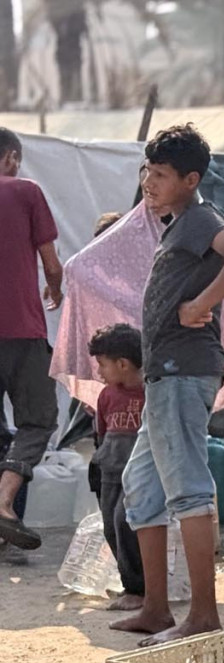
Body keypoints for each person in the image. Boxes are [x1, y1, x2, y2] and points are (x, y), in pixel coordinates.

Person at [113, 124, 224, 644]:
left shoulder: (201, 219)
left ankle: (203, 615)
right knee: (142, 485)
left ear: (190, 179)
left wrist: (202, 304)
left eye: (160, 175)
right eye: (146, 172)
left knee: (189, 489)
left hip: (182, 372)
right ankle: (156, 608)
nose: (148, 183)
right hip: (164, 376)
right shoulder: (178, 224)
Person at [0, 127, 63, 552]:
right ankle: (4, 502)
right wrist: (55, 292)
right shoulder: (26, 191)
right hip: (21, 328)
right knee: (37, 420)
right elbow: (52, 265)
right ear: (10, 158)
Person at [88, 323, 146, 611]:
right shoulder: (107, 395)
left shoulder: (153, 393)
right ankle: (131, 584)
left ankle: (139, 589)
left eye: (102, 365)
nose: (99, 372)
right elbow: (100, 433)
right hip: (110, 472)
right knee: (112, 526)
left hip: (140, 473)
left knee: (126, 522)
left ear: (123, 364)